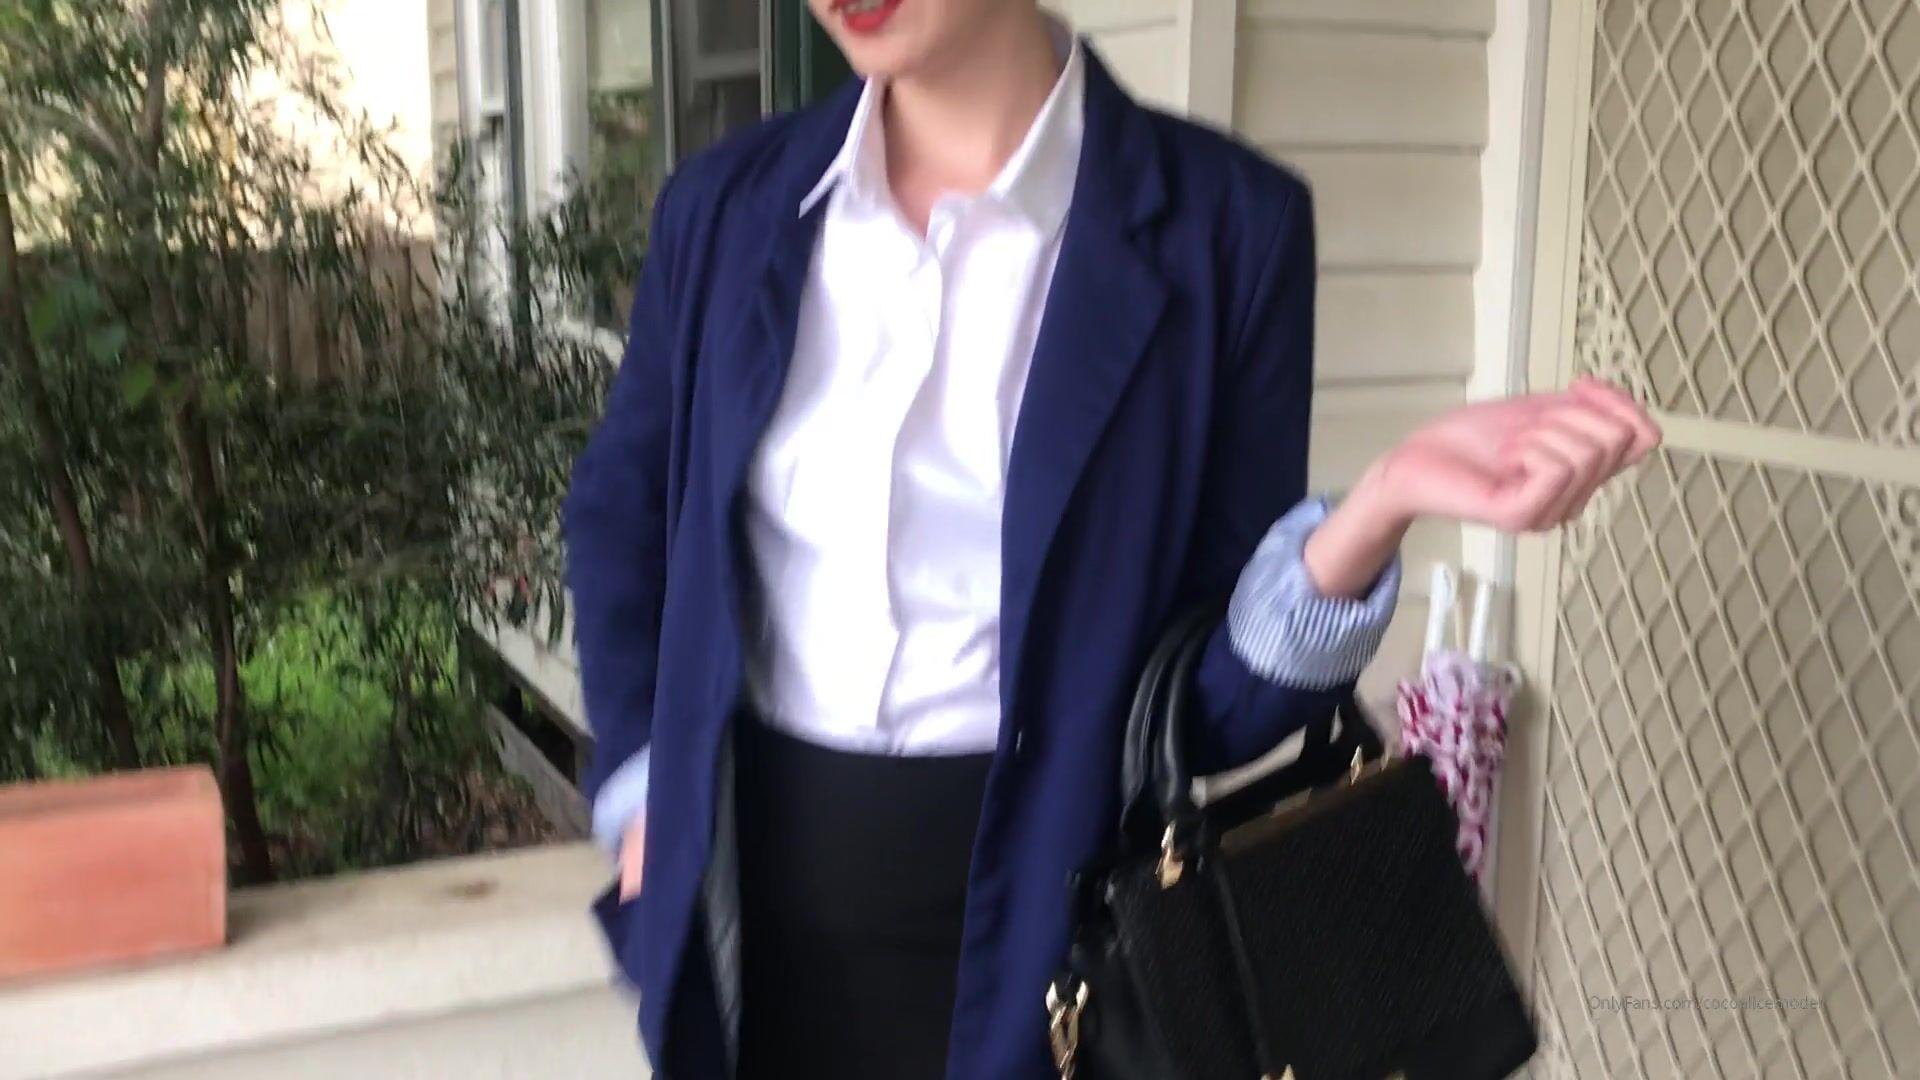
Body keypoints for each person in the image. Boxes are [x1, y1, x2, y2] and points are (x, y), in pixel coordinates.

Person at [564, 1, 1661, 1077]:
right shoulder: (725, 210)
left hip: (1055, 953)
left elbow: (1206, 708)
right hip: (745, 938)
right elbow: (623, 512)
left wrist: (1379, 504)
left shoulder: (1226, 230)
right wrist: (642, 794)